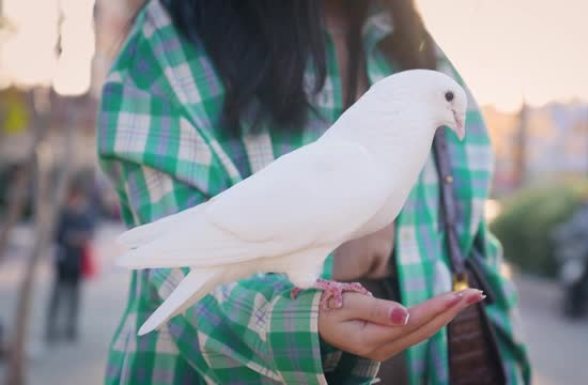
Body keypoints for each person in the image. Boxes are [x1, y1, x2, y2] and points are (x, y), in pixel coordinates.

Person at [98, 1, 530, 384]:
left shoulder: (423, 57)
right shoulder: (169, 46)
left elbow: (475, 251)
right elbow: (175, 278)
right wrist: (303, 326)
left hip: (419, 364)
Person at [45, 182, 94, 342]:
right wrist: (73, 238)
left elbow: (89, 234)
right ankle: (51, 329)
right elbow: (58, 236)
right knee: (58, 296)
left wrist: (77, 238)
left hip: (77, 263)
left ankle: (70, 329)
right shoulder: (63, 215)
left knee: (74, 297)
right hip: (63, 262)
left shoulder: (84, 215)